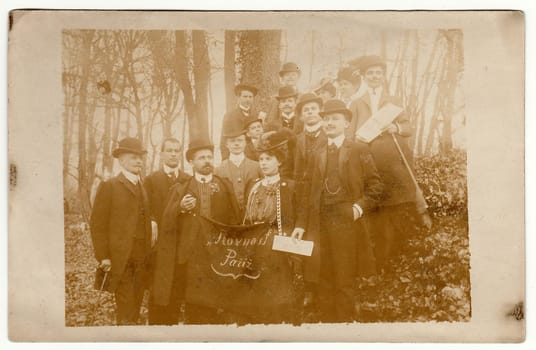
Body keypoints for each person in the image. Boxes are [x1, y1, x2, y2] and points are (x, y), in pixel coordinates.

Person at [291, 99, 382, 323]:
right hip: (319, 222)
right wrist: (301, 225)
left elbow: (376, 186)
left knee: (344, 279)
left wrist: (358, 208)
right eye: (327, 119)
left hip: (346, 222)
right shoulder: (317, 153)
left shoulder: (359, 149)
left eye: (335, 119)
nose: (330, 123)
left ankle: (344, 330)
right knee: (323, 278)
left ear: (347, 122)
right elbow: (306, 192)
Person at [151, 138, 240, 325]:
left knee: (215, 307)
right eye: (201, 158)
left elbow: (235, 220)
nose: (207, 161)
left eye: (209, 157)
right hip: (190, 258)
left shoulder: (224, 186)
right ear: (191, 162)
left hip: (217, 255)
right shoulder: (181, 188)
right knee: (194, 306)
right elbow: (166, 220)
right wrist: (180, 207)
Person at [349, 55, 419, 270]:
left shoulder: (393, 101)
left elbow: (408, 128)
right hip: (368, 164)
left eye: (378, 73)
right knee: (372, 213)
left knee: (393, 213)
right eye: (370, 73)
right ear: (364, 76)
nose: (375, 76)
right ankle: (372, 264)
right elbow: (351, 133)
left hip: (391, 166)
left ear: (383, 75)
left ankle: (394, 263)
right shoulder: (357, 103)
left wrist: (395, 128)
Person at [90, 137, 155, 325]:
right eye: (134, 157)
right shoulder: (110, 186)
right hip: (121, 259)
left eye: (140, 157)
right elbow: (98, 225)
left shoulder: (142, 186)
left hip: (141, 258)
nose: (139, 161)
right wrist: (103, 257)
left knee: (135, 305)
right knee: (125, 308)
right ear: (121, 160)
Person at [242, 130, 300, 324]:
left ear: (280, 161)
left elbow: (296, 218)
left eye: (269, 158)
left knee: (277, 295)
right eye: (261, 159)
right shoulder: (253, 186)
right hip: (253, 247)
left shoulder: (289, 186)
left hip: (278, 249)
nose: (264, 163)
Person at [144, 137, 190, 325]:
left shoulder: (188, 179)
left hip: (181, 244)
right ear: (162, 154)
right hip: (160, 246)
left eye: (176, 150)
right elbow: (145, 209)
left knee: (177, 291)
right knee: (158, 292)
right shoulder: (151, 180)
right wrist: (152, 221)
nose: (173, 154)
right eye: (169, 150)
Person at [215, 126, 263, 216]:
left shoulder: (257, 166)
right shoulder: (218, 170)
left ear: (245, 143)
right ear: (226, 145)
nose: (236, 144)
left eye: (240, 140)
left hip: (254, 215)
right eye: (232, 141)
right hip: (229, 217)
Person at [293, 92, 327, 182]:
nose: (310, 112)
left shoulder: (328, 135)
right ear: (301, 116)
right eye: (306, 110)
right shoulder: (299, 139)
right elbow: (297, 170)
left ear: (321, 112)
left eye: (314, 108)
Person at [221, 83, 258, 160]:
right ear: (239, 97)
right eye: (245, 96)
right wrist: (225, 159)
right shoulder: (230, 116)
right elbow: (224, 140)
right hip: (238, 155)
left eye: (250, 97)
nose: (248, 99)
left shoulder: (257, 115)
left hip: (255, 155)